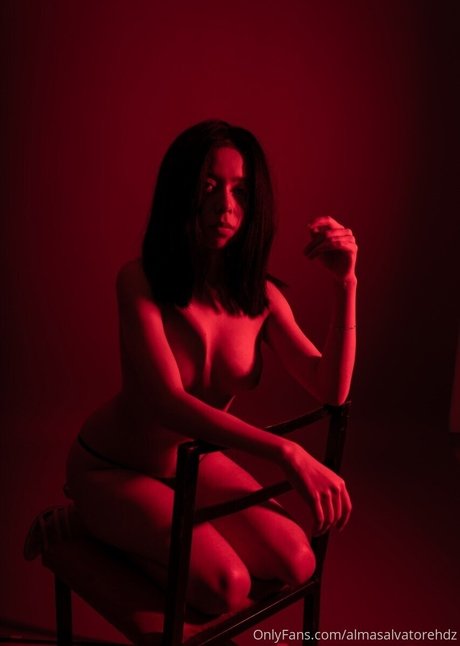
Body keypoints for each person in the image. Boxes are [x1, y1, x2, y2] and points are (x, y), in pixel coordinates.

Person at [64, 120, 357, 616]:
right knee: (225, 586)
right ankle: (87, 523)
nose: (225, 207)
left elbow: (332, 389)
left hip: (191, 462)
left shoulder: (262, 298)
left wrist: (346, 285)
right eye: (208, 186)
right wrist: (287, 452)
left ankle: (150, 533)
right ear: (181, 192)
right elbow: (168, 403)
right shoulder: (139, 281)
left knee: (298, 561)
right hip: (113, 466)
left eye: (240, 191)